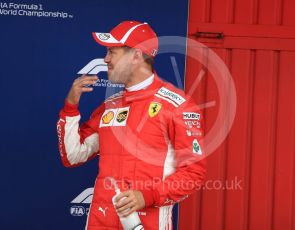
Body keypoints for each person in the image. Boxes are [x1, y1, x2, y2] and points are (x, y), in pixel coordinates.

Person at [57, 20, 206, 230]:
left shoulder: (177, 106)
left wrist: (147, 196)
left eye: (112, 52)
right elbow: (73, 156)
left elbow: (193, 174)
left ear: (136, 55)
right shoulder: (109, 106)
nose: (105, 59)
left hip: (147, 223)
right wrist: (71, 107)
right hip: (100, 223)